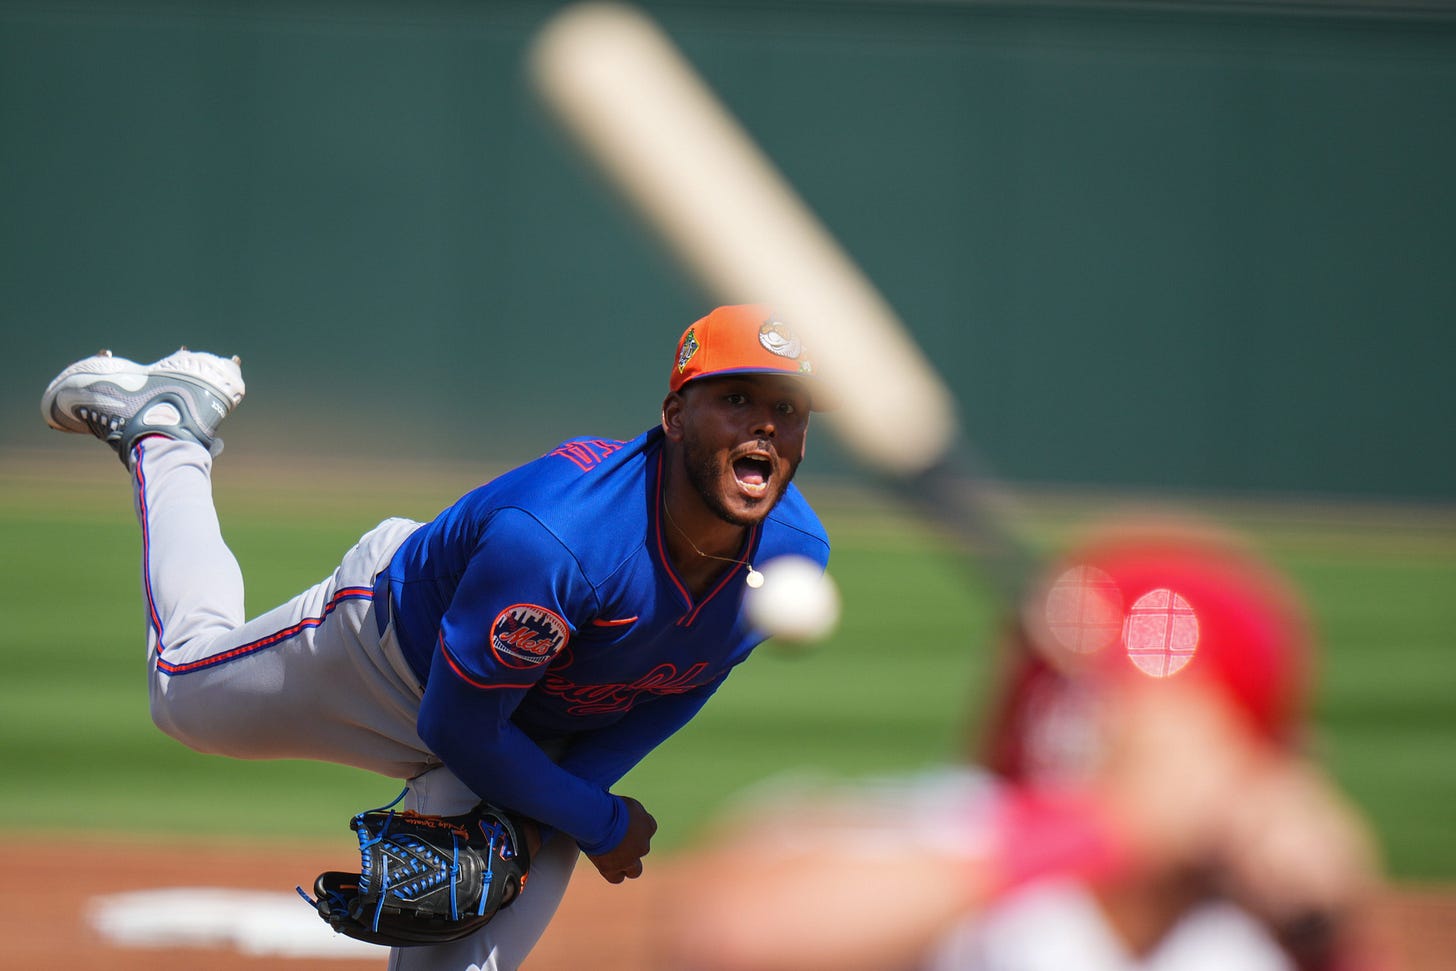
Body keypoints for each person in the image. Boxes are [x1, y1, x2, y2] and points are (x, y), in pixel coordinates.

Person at [39, 304, 832, 971]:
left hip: (529, 740)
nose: (766, 423)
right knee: (181, 693)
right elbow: (456, 724)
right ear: (674, 416)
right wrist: (599, 821)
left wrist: (543, 818)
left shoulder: (794, 554)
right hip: (389, 657)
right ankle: (167, 429)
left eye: (788, 408)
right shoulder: (557, 541)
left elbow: (682, 679)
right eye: (736, 398)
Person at [666, 521, 1391, 971]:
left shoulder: (1265, 924)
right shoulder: (961, 834)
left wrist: (1327, 929)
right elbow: (731, 935)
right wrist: (1110, 827)